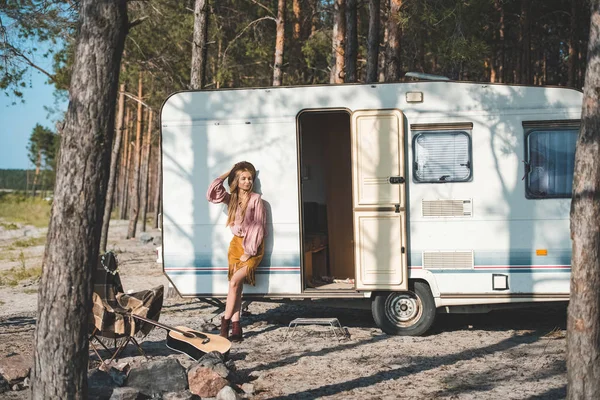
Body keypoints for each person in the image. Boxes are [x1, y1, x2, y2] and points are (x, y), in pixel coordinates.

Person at [207, 161, 266, 342]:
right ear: (237, 180)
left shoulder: (257, 200)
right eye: (243, 178)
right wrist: (229, 172)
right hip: (235, 246)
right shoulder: (231, 199)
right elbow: (212, 193)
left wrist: (249, 251)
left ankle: (224, 323)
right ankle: (236, 326)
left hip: (252, 247)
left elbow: (259, 227)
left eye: (250, 179)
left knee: (233, 283)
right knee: (236, 288)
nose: (248, 182)